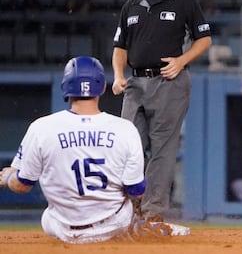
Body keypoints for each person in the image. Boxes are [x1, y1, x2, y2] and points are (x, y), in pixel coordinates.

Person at [111, 0, 212, 222]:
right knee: (128, 149)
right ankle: (128, 213)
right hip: (135, 83)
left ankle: (152, 214)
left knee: (162, 150)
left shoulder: (184, 2)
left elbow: (205, 39)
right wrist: (119, 75)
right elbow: (120, 47)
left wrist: (182, 60)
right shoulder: (130, 6)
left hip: (171, 81)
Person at [0, 56, 146, 244]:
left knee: (48, 216)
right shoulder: (125, 129)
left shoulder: (41, 128)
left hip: (62, 228)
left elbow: (22, 185)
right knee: (129, 196)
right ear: (102, 87)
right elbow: (136, 190)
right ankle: (135, 225)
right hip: (114, 225)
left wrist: (9, 177)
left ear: (66, 87)